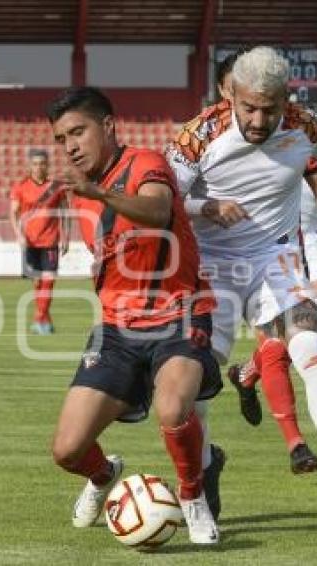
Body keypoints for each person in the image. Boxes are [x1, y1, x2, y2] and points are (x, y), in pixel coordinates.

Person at [166, 46, 317, 512]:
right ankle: (203, 466)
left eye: (270, 108)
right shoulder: (197, 137)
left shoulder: (305, 124)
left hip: (273, 255)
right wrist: (207, 207)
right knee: (196, 377)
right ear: (229, 93)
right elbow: (163, 201)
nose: (259, 120)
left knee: (310, 344)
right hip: (210, 261)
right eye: (249, 107)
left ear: (286, 98)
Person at [47, 87, 222, 544]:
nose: (70, 146)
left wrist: (100, 193)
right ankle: (105, 476)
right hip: (116, 329)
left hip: (178, 315)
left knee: (171, 409)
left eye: (78, 132)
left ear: (107, 126)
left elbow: (158, 210)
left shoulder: (145, 163)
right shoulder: (81, 195)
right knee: (67, 450)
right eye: (61, 138)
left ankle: (191, 495)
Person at [9, 148, 70, 335]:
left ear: (47, 165)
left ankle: (38, 318)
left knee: (49, 281)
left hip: (51, 241)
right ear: (30, 165)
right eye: (35, 164)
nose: (38, 167)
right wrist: (18, 234)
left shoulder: (56, 187)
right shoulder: (20, 187)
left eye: (42, 163)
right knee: (37, 283)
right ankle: (45, 320)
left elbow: (65, 213)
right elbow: (13, 213)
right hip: (30, 242)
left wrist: (66, 236)